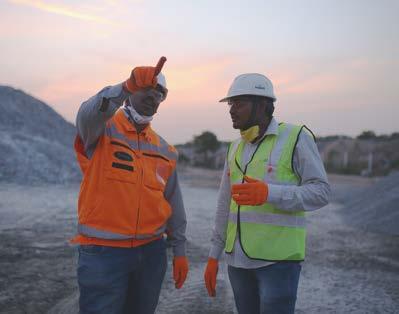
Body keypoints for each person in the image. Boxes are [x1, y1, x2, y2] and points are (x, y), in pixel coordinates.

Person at [204, 73, 330, 314]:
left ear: (262, 105)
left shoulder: (295, 138)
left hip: (277, 263)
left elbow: (321, 192)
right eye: (231, 104)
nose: (231, 110)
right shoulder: (235, 147)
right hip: (237, 262)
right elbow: (224, 204)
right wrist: (213, 255)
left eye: (239, 103)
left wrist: (269, 193)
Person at [73, 57, 189, 314]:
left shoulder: (165, 150)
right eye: (147, 88)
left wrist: (179, 249)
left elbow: (173, 203)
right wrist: (125, 85)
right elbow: (87, 113)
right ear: (132, 91)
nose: (153, 96)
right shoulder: (101, 131)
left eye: (159, 93)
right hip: (104, 253)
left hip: (151, 253)